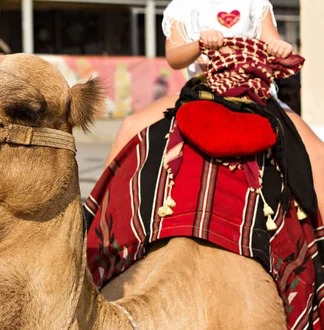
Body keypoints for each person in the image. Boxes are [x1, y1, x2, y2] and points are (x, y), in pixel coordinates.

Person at [104, 0, 324, 216]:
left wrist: (281, 46)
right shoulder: (182, 6)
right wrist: (199, 44)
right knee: (129, 127)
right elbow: (174, 57)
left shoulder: (256, 3)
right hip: (201, 90)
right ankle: (97, 216)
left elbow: (272, 41)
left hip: (255, 93)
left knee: (318, 152)